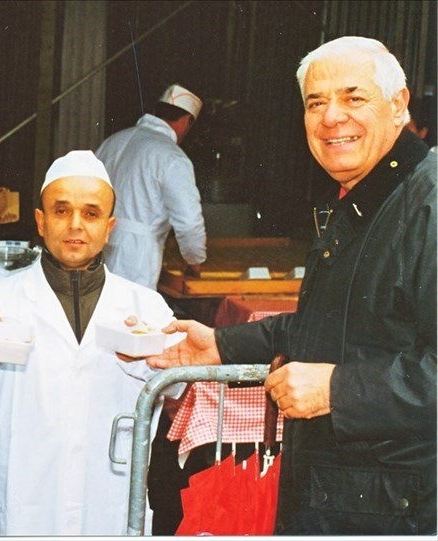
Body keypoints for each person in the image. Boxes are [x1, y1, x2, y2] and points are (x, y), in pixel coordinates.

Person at [146, 36, 436, 535]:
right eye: (315, 103)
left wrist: (338, 390)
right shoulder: (363, 200)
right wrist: (219, 343)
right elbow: (332, 327)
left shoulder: (427, 205)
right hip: (343, 497)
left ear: (399, 105)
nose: (331, 118)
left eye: (353, 97)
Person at [0, 150, 184, 535]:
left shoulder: (145, 306)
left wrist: (162, 354)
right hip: (18, 503)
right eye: (61, 210)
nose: (75, 225)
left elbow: (181, 381)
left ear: (109, 226)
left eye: (91, 213)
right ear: (40, 220)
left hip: (107, 497)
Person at [95, 83, 207, 287]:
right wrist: (194, 260)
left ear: (156, 112)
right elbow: (189, 222)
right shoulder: (171, 157)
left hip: (98, 247)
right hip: (136, 257)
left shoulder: (113, 142)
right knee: (132, 316)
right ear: (186, 121)